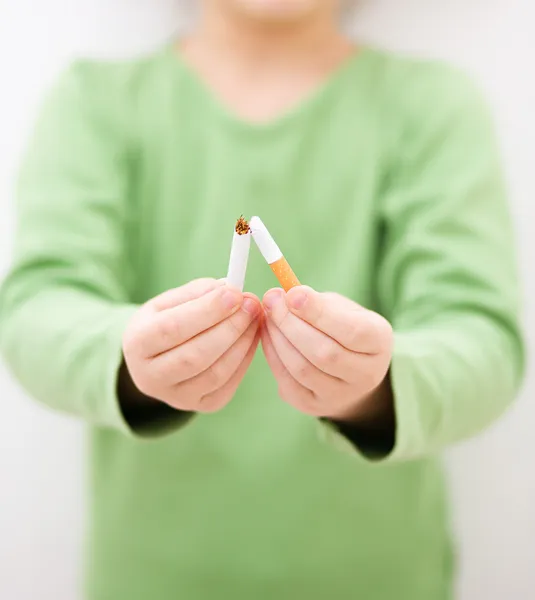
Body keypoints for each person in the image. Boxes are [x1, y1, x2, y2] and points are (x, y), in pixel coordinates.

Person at [0, 0, 524, 598]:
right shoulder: (96, 102)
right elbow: (38, 308)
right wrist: (128, 357)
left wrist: (375, 388)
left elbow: (482, 336)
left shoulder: (431, 106)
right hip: (152, 576)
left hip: (376, 576)